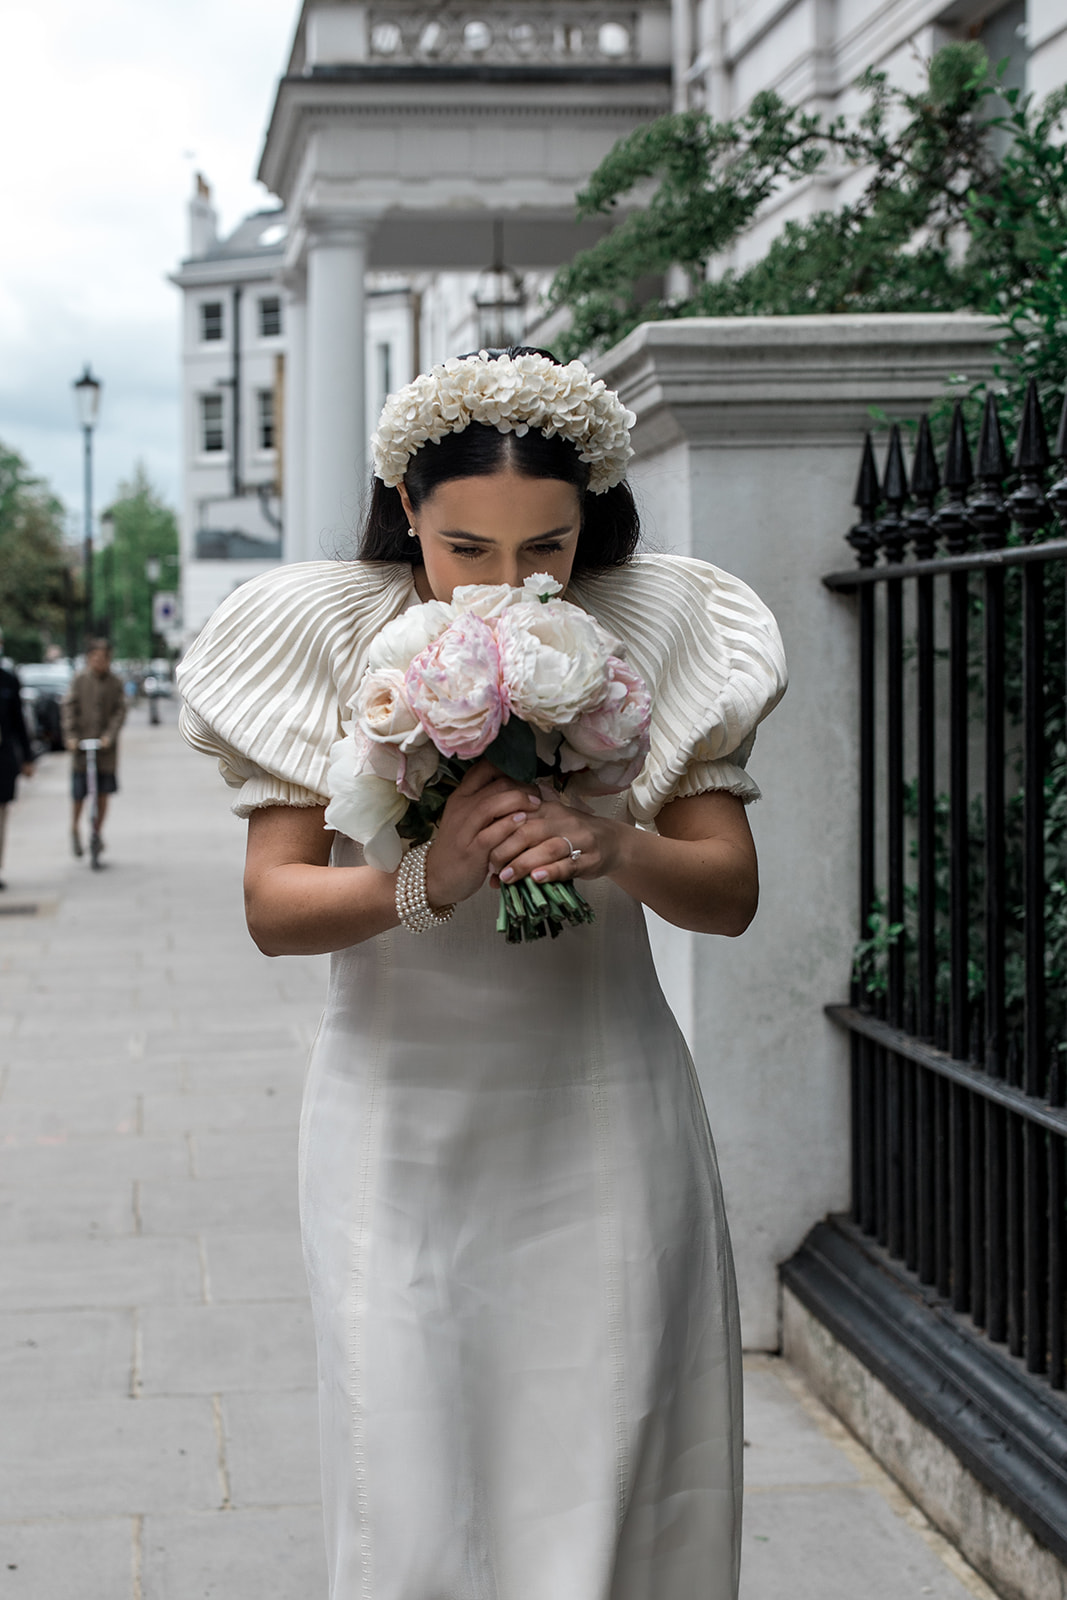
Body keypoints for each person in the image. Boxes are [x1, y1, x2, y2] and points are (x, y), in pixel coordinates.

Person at [177, 347, 787, 1600]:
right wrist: (429, 879)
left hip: (605, 1113)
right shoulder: (322, 631)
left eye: (545, 549)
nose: (504, 588)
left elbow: (727, 894)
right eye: (465, 548)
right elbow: (272, 908)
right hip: (399, 1131)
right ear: (406, 507)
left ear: (588, 521)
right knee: (409, 1492)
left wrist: (616, 844)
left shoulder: (660, 621)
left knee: (615, 1471)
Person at [62, 638, 125, 858]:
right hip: (81, 747)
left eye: (104, 658)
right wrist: (71, 737)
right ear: (89, 658)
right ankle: (74, 827)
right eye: (96, 658)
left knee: (103, 793)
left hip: (105, 750)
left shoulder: (115, 683)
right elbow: (69, 708)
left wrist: (109, 737)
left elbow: (119, 712)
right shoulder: (79, 680)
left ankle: (97, 832)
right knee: (79, 792)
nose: (100, 662)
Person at [0, 632, 35, 891]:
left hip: (3, 759)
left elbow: (19, 723)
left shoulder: (9, 681)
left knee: (2, 816)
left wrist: (27, 757)